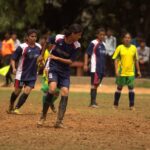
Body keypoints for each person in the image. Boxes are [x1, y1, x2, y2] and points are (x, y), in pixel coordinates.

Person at [37, 23, 83, 128]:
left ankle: (59, 121)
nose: (80, 37)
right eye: (79, 35)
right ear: (72, 33)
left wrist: (57, 58)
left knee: (65, 92)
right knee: (52, 89)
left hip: (65, 71)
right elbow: (48, 40)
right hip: (53, 66)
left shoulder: (77, 46)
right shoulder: (58, 38)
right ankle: (43, 116)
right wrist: (41, 54)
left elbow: (70, 61)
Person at [7, 29, 42, 114]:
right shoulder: (22, 47)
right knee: (17, 91)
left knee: (27, 91)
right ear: (27, 37)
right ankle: (11, 105)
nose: (34, 38)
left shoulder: (39, 47)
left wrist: (41, 62)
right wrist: (14, 68)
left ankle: (16, 108)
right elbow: (13, 58)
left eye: (35, 36)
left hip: (33, 74)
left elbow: (39, 58)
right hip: (21, 74)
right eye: (32, 36)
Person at [112, 32, 141, 110]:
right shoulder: (119, 48)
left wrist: (138, 71)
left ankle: (132, 105)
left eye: (129, 38)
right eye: (125, 38)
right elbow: (116, 60)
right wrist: (116, 70)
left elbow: (136, 60)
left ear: (131, 39)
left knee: (131, 88)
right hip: (121, 71)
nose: (127, 39)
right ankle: (115, 104)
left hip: (131, 71)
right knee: (119, 88)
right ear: (123, 39)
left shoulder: (134, 48)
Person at [84, 28, 106, 108]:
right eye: (101, 35)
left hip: (101, 68)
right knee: (93, 85)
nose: (102, 36)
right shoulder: (93, 43)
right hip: (95, 68)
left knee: (96, 85)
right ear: (97, 35)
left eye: (103, 35)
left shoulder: (104, 44)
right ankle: (92, 103)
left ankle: (93, 101)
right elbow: (87, 53)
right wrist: (86, 64)